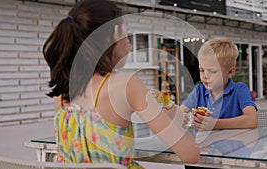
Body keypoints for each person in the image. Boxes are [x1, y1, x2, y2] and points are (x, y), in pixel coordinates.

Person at [43, 0, 200, 168]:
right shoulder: (127, 85)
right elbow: (190, 154)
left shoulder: (62, 93)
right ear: (116, 33)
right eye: (127, 32)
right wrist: (170, 113)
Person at [180, 37, 258, 132]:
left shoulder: (239, 90)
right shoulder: (199, 91)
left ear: (230, 72)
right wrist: (180, 118)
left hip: (233, 144)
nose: (205, 76)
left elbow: (252, 120)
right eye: (202, 70)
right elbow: (180, 112)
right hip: (203, 145)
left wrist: (215, 124)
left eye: (212, 71)